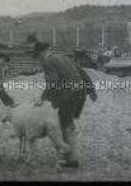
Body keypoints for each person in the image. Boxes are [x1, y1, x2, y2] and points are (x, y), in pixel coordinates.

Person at [27, 40, 97, 168]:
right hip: (80, 92)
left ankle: (72, 159)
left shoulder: (47, 61)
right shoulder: (63, 57)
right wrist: (91, 90)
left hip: (68, 95)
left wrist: (42, 98)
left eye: (38, 56)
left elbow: (52, 82)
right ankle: (71, 153)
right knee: (68, 122)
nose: (39, 59)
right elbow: (82, 72)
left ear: (43, 52)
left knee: (65, 124)